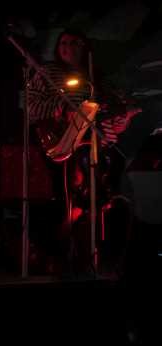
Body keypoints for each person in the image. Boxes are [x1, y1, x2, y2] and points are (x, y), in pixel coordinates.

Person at [27, 28, 136, 271]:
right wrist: (61, 105)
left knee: (114, 171)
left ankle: (99, 243)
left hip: (97, 144)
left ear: (84, 47)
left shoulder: (96, 78)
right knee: (74, 187)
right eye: (63, 43)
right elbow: (31, 106)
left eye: (73, 43)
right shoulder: (48, 73)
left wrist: (124, 115)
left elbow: (111, 123)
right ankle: (66, 245)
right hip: (64, 142)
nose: (67, 47)